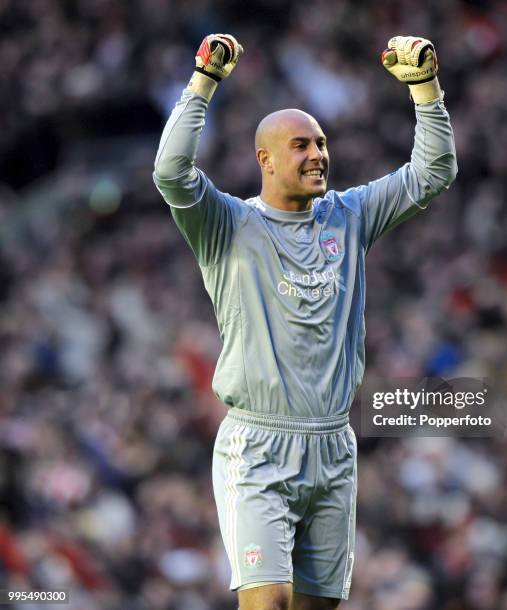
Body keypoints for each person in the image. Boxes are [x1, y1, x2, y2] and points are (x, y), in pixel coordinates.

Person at [153, 32, 457, 610]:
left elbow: (434, 170)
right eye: (300, 145)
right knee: (268, 602)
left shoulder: (350, 215)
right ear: (265, 160)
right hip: (259, 446)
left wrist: (425, 88)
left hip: (333, 444)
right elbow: (170, 171)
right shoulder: (227, 224)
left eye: (320, 143)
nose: (318, 154)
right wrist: (203, 82)